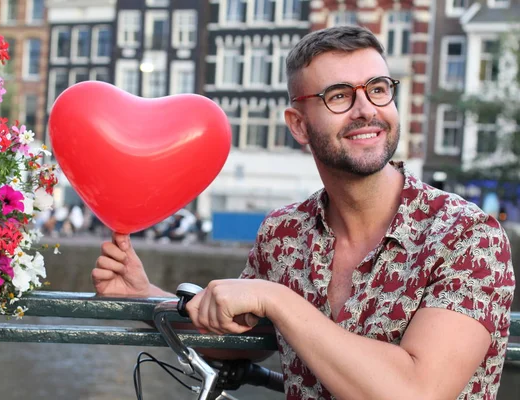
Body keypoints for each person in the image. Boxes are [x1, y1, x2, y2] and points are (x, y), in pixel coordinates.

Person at [92, 26, 515, 400]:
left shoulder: (467, 235)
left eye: (379, 88)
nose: (366, 108)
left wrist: (278, 300)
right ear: (297, 124)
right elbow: (238, 340)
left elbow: (418, 391)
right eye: (339, 96)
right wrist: (147, 297)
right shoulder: (284, 232)